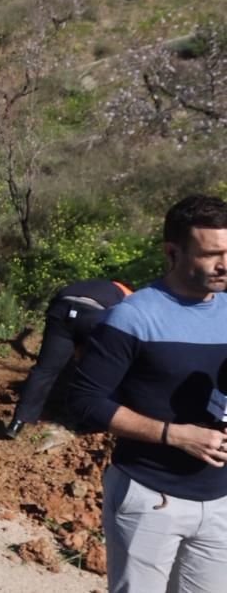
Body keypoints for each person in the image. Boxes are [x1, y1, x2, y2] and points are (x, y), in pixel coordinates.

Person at [68, 195, 227, 592]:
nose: (225, 264)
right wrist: (176, 435)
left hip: (219, 500)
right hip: (150, 498)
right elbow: (84, 402)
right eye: (212, 254)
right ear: (172, 252)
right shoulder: (132, 317)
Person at [5, 278, 132, 439]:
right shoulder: (127, 291)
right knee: (94, 373)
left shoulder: (88, 283)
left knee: (44, 370)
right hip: (94, 315)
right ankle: (85, 420)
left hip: (61, 311)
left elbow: (55, 302)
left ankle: (18, 422)